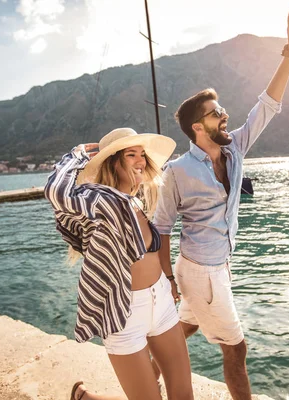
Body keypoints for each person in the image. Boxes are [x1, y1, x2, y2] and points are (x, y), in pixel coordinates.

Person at [151, 1, 289, 399]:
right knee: (236, 349)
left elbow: (266, 107)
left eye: (222, 110)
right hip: (199, 272)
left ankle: (148, 373)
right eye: (217, 112)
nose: (225, 115)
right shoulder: (178, 171)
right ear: (198, 127)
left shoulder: (235, 149)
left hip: (213, 267)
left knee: (189, 325)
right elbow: (161, 228)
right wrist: (166, 278)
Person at [44, 128, 193, 400]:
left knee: (183, 394)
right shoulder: (98, 198)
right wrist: (78, 155)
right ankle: (85, 397)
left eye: (142, 155)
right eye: (130, 154)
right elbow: (56, 192)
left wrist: (169, 281)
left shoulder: (136, 200)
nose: (140, 161)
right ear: (113, 161)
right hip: (124, 313)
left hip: (160, 301)